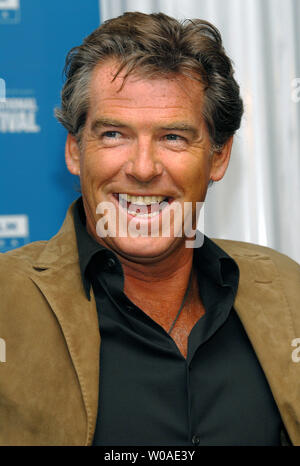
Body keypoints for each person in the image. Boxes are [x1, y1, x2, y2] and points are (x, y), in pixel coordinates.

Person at [0, 11, 299, 447]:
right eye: (114, 134)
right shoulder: (7, 303)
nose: (143, 168)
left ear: (218, 157)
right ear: (74, 151)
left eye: (174, 137)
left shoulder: (289, 292)